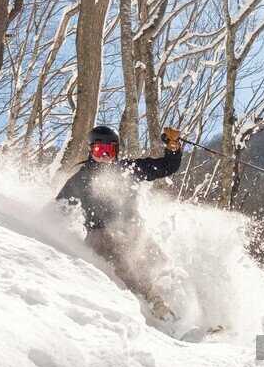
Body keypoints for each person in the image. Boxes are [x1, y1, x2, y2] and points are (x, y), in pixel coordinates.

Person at [56, 124, 183, 323]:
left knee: (158, 261)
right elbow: (59, 209)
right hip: (100, 236)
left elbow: (166, 167)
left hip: (133, 231)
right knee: (118, 247)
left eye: (111, 150)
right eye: (100, 150)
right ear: (91, 150)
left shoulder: (128, 169)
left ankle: (180, 309)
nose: (105, 155)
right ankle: (153, 303)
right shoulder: (80, 179)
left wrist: (173, 148)